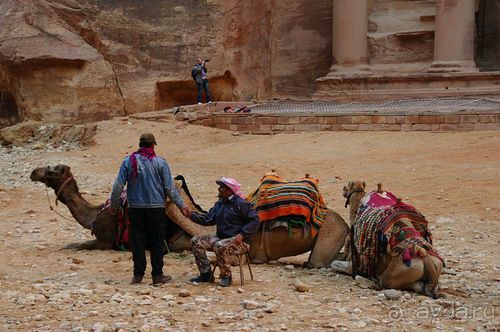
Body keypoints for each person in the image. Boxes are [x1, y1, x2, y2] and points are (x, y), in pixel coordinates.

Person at [109, 133, 191, 285]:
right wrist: (182, 206)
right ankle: (157, 276)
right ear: (153, 145)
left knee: (138, 241)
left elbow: (118, 186)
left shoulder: (128, 161)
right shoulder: (160, 163)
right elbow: (169, 188)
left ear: (140, 144)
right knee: (156, 241)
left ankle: (138, 275)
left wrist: (114, 206)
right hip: (156, 209)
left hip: (135, 208)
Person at [188, 177, 260, 287]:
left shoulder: (241, 204)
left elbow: (255, 220)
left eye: (222, 188)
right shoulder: (219, 204)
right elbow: (208, 219)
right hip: (221, 238)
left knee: (219, 246)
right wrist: (190, 215)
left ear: (230, 191)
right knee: (196, 241)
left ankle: (226, 276)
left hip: (240, 242)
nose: (219, 189)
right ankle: (206, 274)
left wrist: (242, 234)